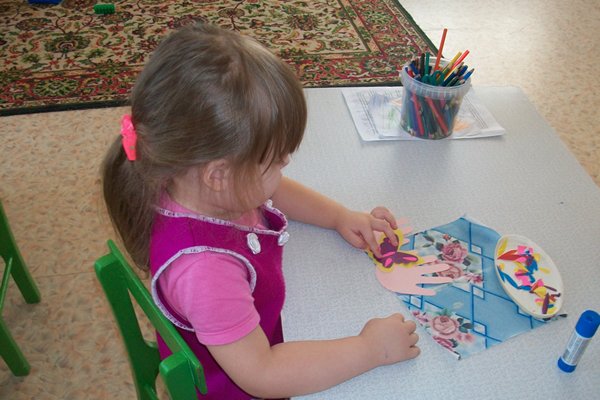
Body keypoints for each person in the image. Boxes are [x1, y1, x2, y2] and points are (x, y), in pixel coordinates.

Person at [102, 23, 419, 399]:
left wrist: (338, 216)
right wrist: (371, 349)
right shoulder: (206, 272)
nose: (286, 164)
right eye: (277, 161)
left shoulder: (193, 180)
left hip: (251, 338)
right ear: (219, 175)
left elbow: (274, 192)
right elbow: (264, 374)